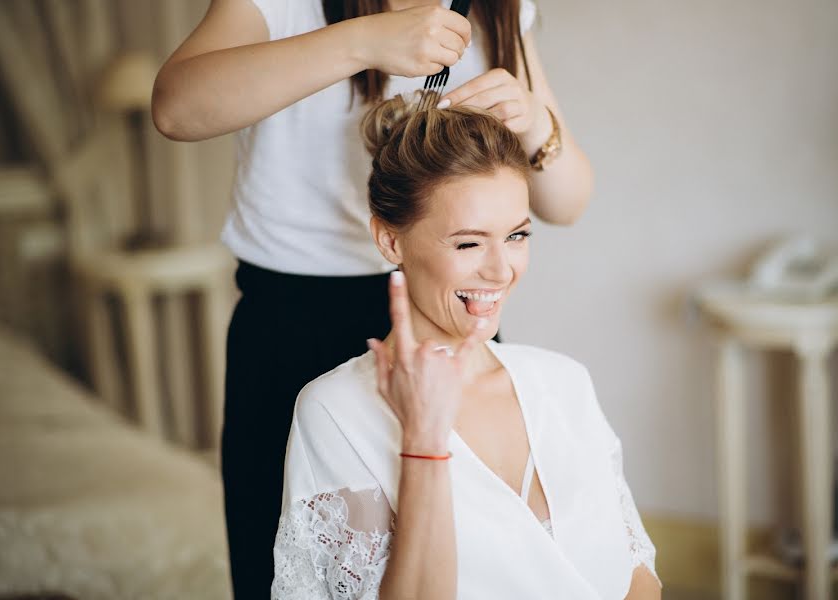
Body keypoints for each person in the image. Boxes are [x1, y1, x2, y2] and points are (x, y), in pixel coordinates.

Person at [152, 1, 594, 596]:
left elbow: (565, 203)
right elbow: (177, 107)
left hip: (445, 310)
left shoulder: (498, 7)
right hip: (292, 321)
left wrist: (537, 125)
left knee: (471, 557)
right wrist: (360, 43)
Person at [271, 96, 660, 599]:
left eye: (517, 235)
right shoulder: (335, 412)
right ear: (390, 241)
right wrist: (424, 442)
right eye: (468, 243)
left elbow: (636, 572)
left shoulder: (564, 383)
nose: (501, 271)